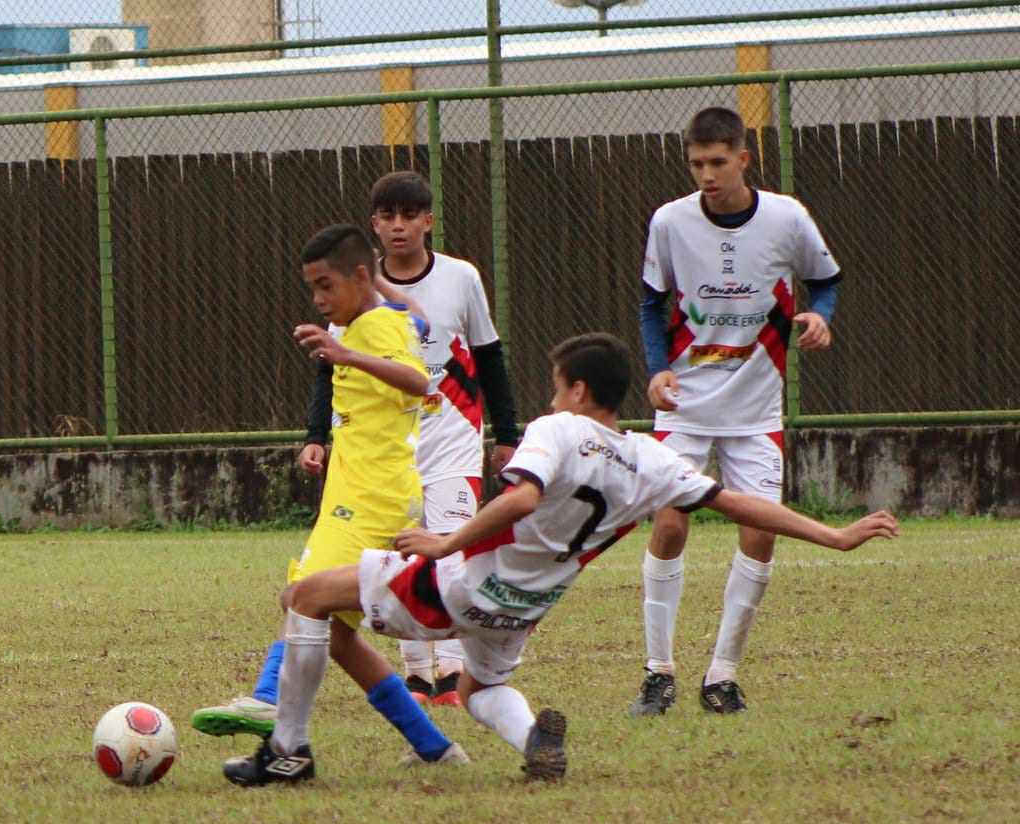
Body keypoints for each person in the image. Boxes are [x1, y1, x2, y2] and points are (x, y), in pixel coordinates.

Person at [224, 333, 896, 785]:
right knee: (479, 689)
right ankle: (531, 748)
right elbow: (741, 503)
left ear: (576, 390)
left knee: (304, 599)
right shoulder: (650, 458)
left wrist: (444, 541)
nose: (548, 399)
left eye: (554, 386)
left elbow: (521, 501)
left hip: (459, 583)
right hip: (522, 609)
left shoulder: (557, 431)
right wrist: (832, 535)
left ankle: (287, 753)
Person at [191, 224, 467, 767]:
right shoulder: (388, 317)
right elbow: (423, 320)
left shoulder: (370, 330)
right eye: (312, 288)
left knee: (301, 598)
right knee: (335, 640)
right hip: (362, 492)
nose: (318, 299)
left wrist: (347, 354)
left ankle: (269, 702)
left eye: (326, 285)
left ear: (359, 277)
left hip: (369, 500)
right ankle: (435, 749)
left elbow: (417, 381)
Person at [631, 106, 842, 716]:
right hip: (686, 406)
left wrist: (820, 314)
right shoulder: (669, 221)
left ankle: (722, 675)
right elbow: (651, 303)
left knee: (760, 533)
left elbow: (825, 279)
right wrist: (657, 369)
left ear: (743, 159)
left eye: (718, 162)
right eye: (697, 163)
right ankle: (658, 671)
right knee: (670, 524)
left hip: (756, 409)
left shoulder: (786, 217)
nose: (707, 174)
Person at [300, 171, 519, 707]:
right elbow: (331, 370)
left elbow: (489, 356)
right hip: (390, 449)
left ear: (428, 221)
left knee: (451, 549)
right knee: (394, 554)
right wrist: (315, 436)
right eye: (387, 217)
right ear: (374, 223)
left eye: (408, 216)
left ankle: (455, 671)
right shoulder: (351, 286)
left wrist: (508, 434)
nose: (398, 227)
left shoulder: (461, 277)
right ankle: (418, 677)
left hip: (452, 436)